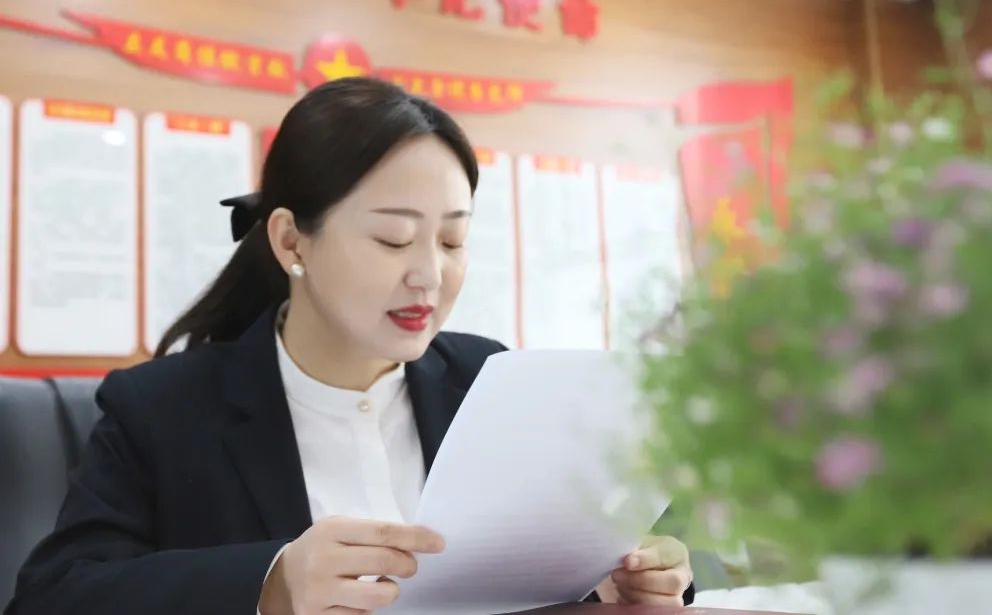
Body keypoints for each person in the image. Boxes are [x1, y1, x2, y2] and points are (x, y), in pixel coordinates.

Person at [7, 78, 694, 615]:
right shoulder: (163, 408)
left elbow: (557, 562)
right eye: (394, 239)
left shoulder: (490, 380)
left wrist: (628, 576)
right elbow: (52, 598)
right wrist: (270, 583)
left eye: (452, 240)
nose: (429, 274)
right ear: (290, 241)